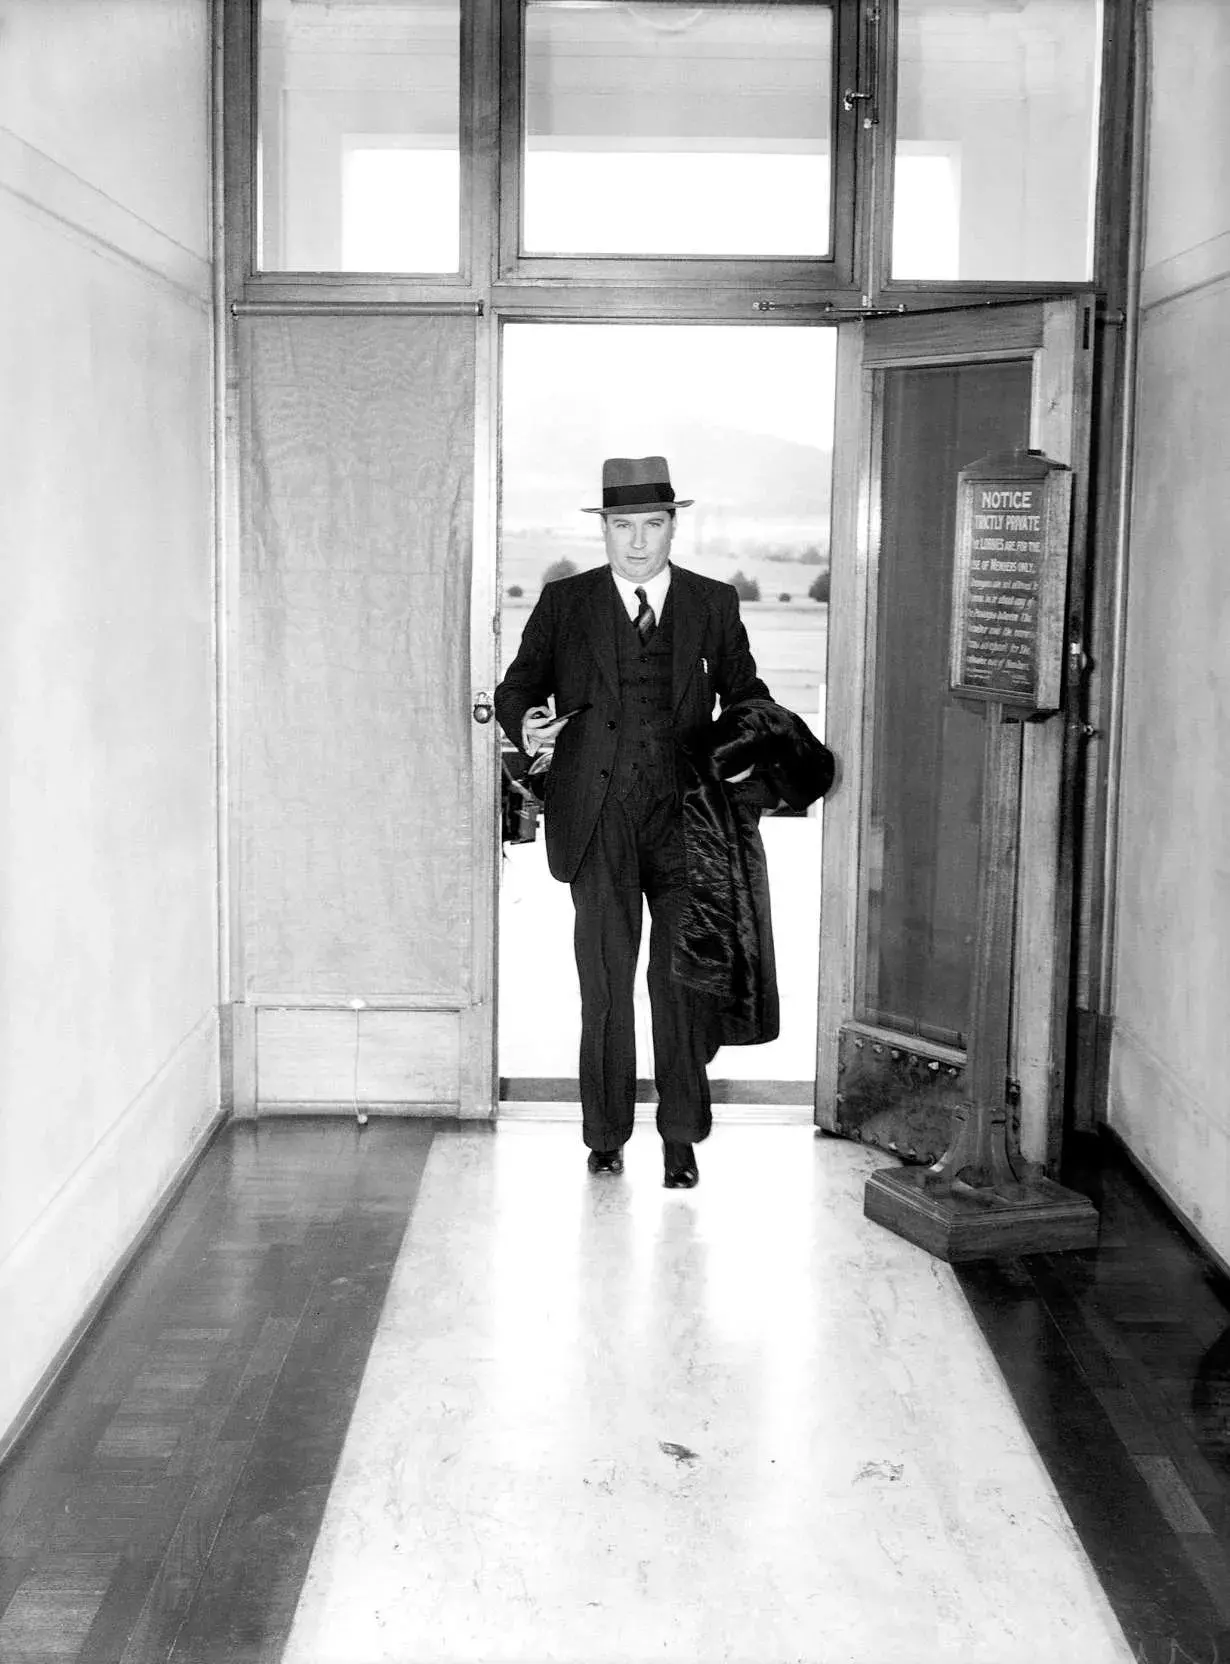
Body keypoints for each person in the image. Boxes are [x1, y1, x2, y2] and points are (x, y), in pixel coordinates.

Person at [494, 456, 775, 1189]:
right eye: (624, 526)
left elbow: (747, 695)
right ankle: (605, 1132)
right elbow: (518, 683)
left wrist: (745, 747)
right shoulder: (566, 603)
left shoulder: (714, 603)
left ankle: (681, 1137)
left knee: (681, 983)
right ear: (605, 530)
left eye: (653, 524)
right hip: (598, 820)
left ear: (674, 526)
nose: (639, 542)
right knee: (606, 980)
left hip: (687, 825)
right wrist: (530, 721)